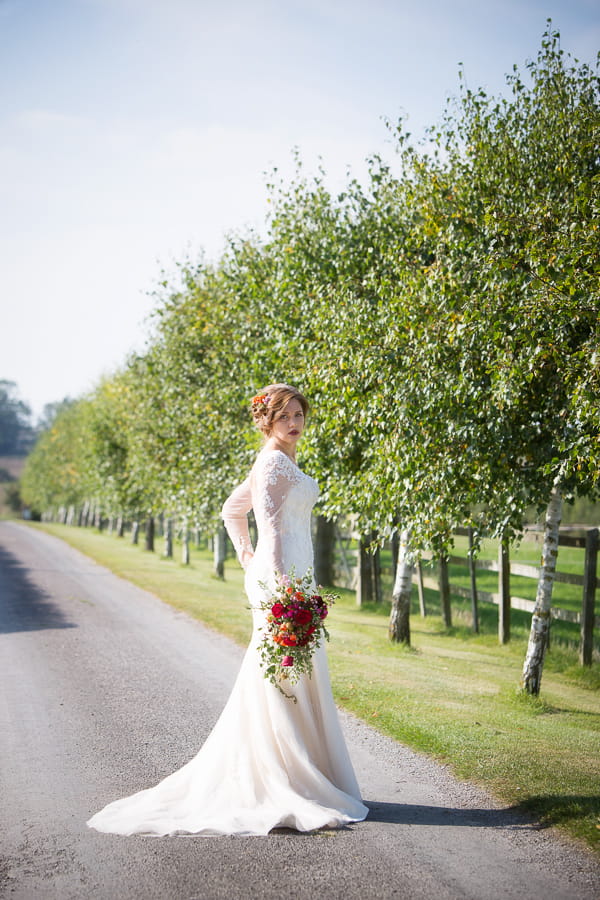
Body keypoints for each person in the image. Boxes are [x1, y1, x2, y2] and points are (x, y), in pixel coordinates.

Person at [87, 383, 368, 836]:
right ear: (267, 422)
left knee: (290, 673)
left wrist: (249, 556)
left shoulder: (281, 460)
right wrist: (274, 580)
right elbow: (272, 532)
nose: (295, 424)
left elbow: (232, 509)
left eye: (299, 415)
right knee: (279, 674)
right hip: (282, 581)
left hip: (292, 573)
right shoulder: (274, 462)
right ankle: (281, 776)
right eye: (286, 417)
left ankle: (300, 770)